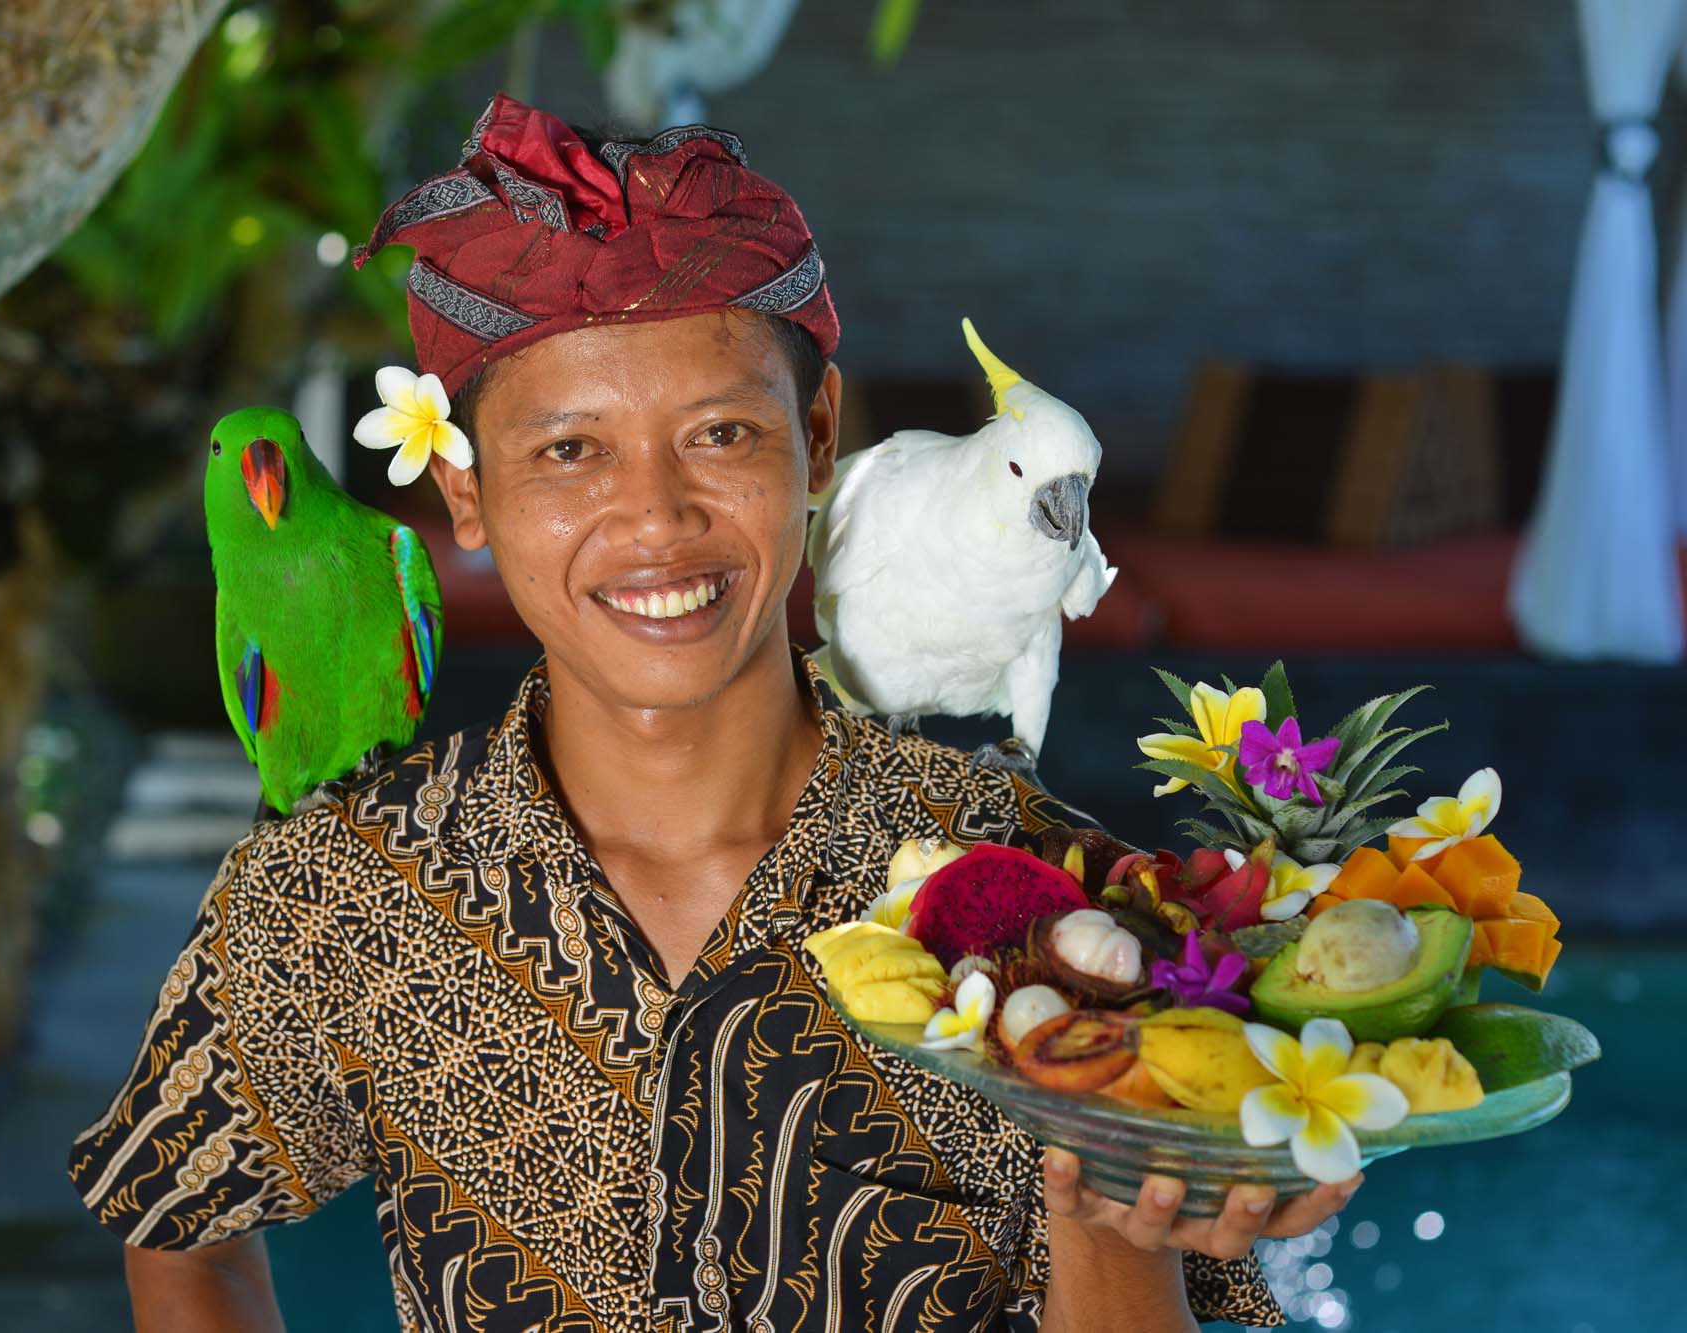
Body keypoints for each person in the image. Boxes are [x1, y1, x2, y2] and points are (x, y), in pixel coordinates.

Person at [68, 93, 1353, 1331]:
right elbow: (175, 1224)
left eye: (723, 435)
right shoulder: (344, 888)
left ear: (820, 442)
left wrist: (1108, 1172)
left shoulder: (1048, 896)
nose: (656, 520)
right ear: (463, 496)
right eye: (568, 450)